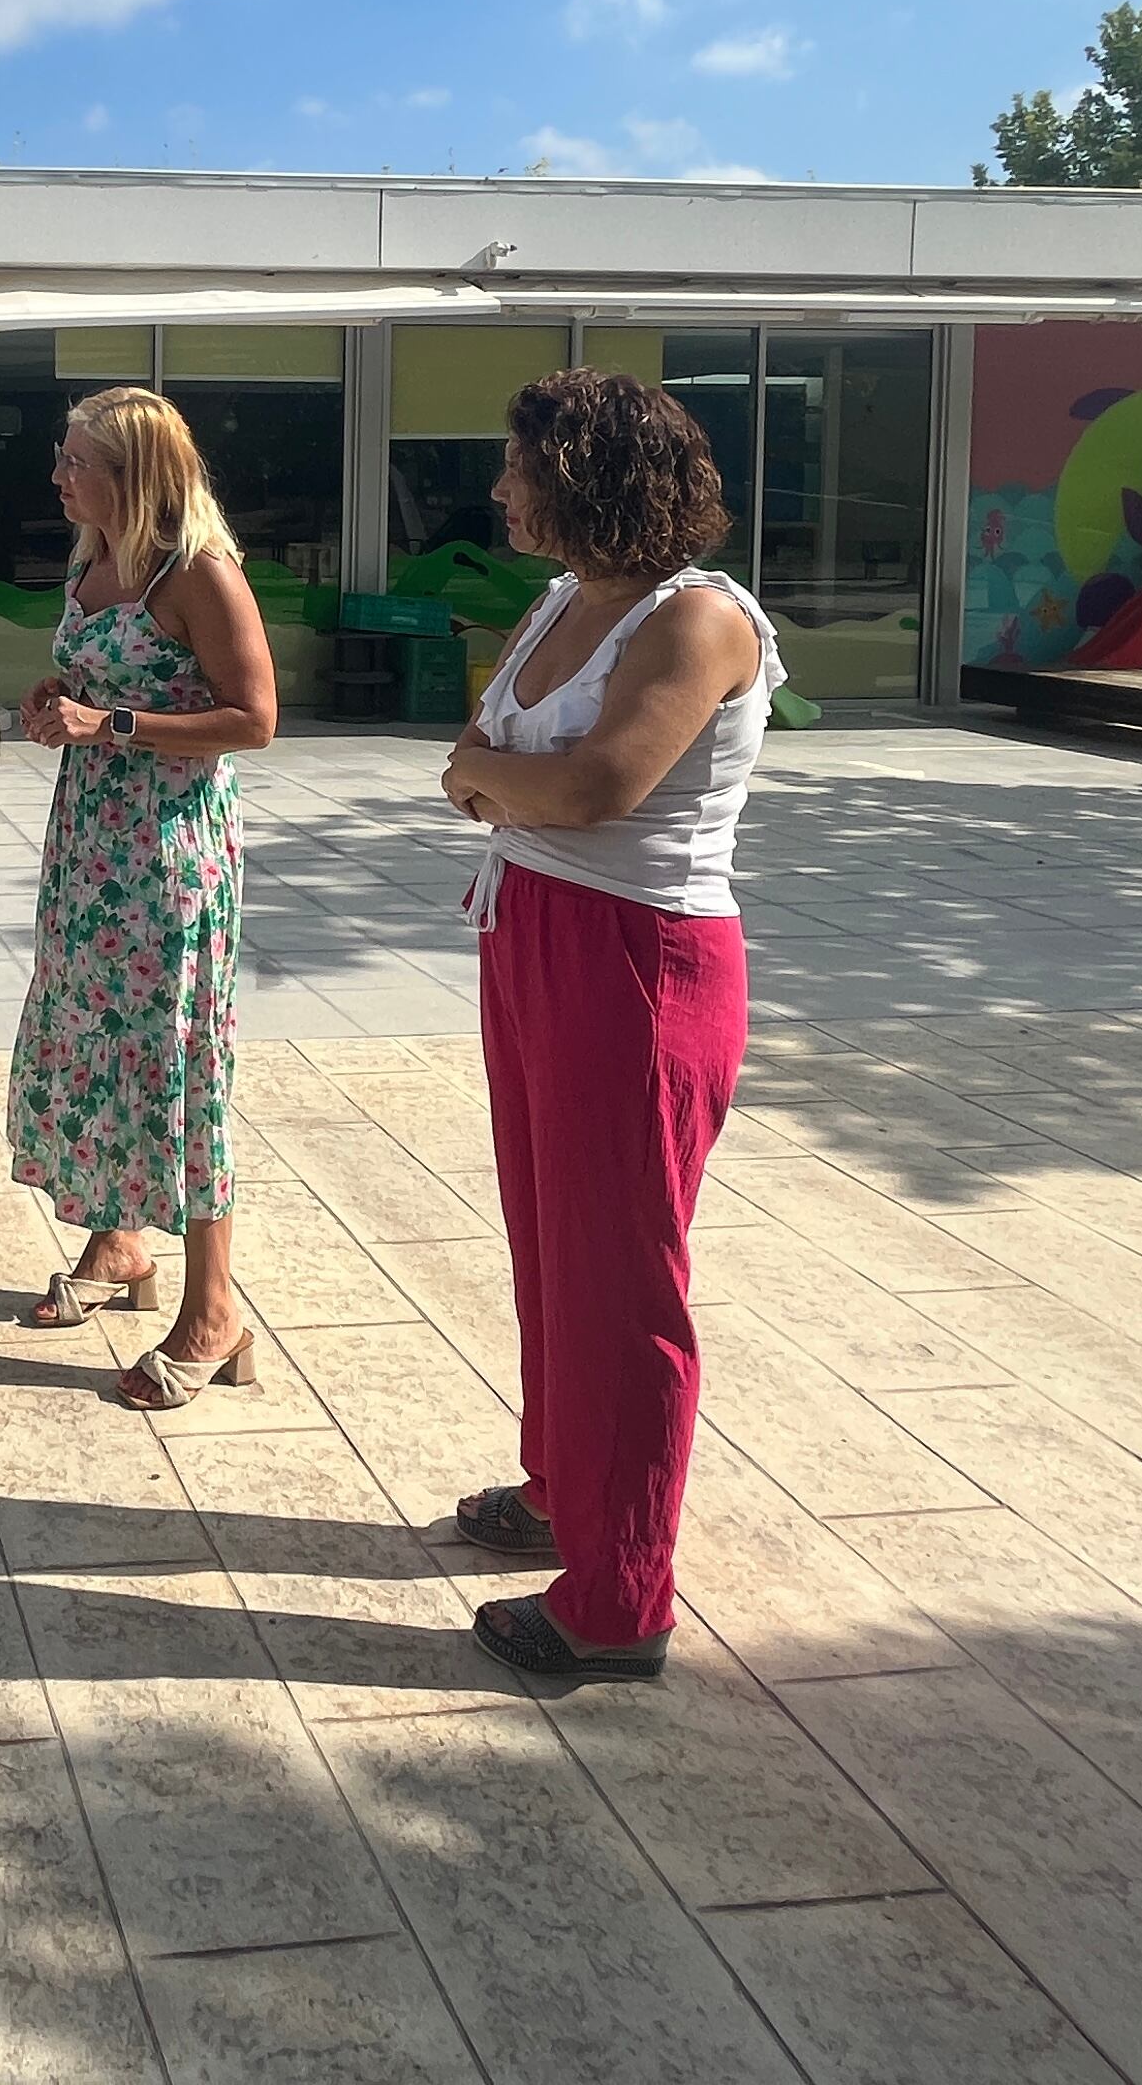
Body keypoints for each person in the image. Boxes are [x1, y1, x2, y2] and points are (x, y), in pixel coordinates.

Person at [436, 367, 784, 1686]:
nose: (499, 488)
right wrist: (501, 785)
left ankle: (617, 1600)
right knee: (548, 1242)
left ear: (582, 473)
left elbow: (593, 784)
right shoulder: (562, 601)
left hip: (640, 968)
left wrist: (496, 785)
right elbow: (476, 753)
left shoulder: (698, 623)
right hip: (529, 933)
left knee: (622, 1280)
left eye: (517, 466)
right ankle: (563, 1487)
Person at [3, 385, 278, 1408]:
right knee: (94, 1038)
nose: (59, 477)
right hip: (92, 853)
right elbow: (94, 678)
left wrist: (109, 725)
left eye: (77, 463)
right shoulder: (95, 557)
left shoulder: (197, 571)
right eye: (63, 457)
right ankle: (120, 1242)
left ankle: (214, 1310)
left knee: (175, 1058)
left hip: (167, 859)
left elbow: (254, 719)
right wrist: (51, 701)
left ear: (134, 476)